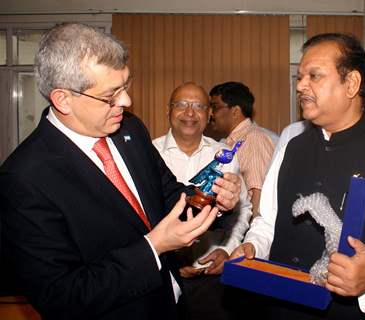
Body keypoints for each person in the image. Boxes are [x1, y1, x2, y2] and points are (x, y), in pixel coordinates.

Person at [0, 23, 241, 320]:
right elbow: (61, 296)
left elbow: (169, 196)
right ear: (63, 99)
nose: (126, 101)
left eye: (125, 85)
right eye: (110, 95)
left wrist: (214, 199)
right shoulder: (24, 178)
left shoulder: (129, 129)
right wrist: (153, 247)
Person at [231, 33, 365, 319]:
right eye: (300, 76)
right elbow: (268, 221)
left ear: (352, 84)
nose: (300, 85)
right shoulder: (290, 149)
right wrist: (253, 246)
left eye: (314, 76)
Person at [153, 82, 252, 320]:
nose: (189, 112)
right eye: (182, 105)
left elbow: (242, 209)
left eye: (198, 106)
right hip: (160, 278)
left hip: (210, 280)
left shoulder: (225, 156)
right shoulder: (149, 153)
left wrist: (226, 250)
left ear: (209, 114)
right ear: (168, 110)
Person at [209, 82, 275, 218]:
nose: (210, 114)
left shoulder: (253, 139)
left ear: (235, 111)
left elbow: (258, 194)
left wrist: (252, 237)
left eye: (215, 107)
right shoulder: (228, 143)